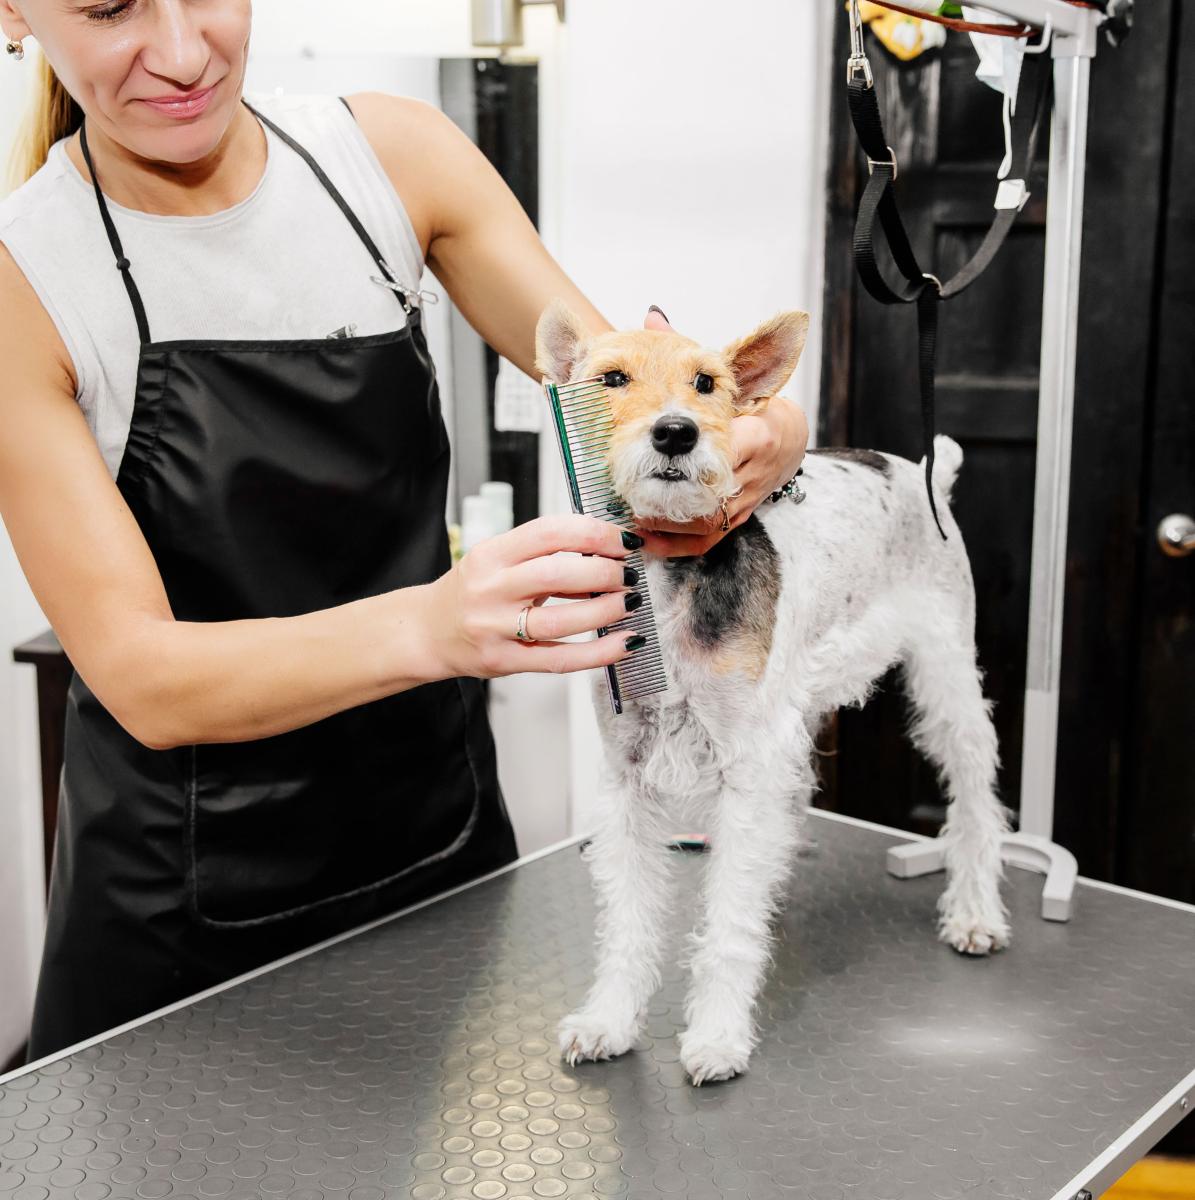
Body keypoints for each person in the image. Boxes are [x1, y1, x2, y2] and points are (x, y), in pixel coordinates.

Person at [0, 0, 809, 1064]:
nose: (186, 52)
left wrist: (772, 430)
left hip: (437, 845)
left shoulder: (388, 158)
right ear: (17, 11)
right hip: (180, 908)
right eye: (111, 7)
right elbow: (140, 676)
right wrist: (436, 627)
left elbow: (616, 398)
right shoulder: (29, 277)